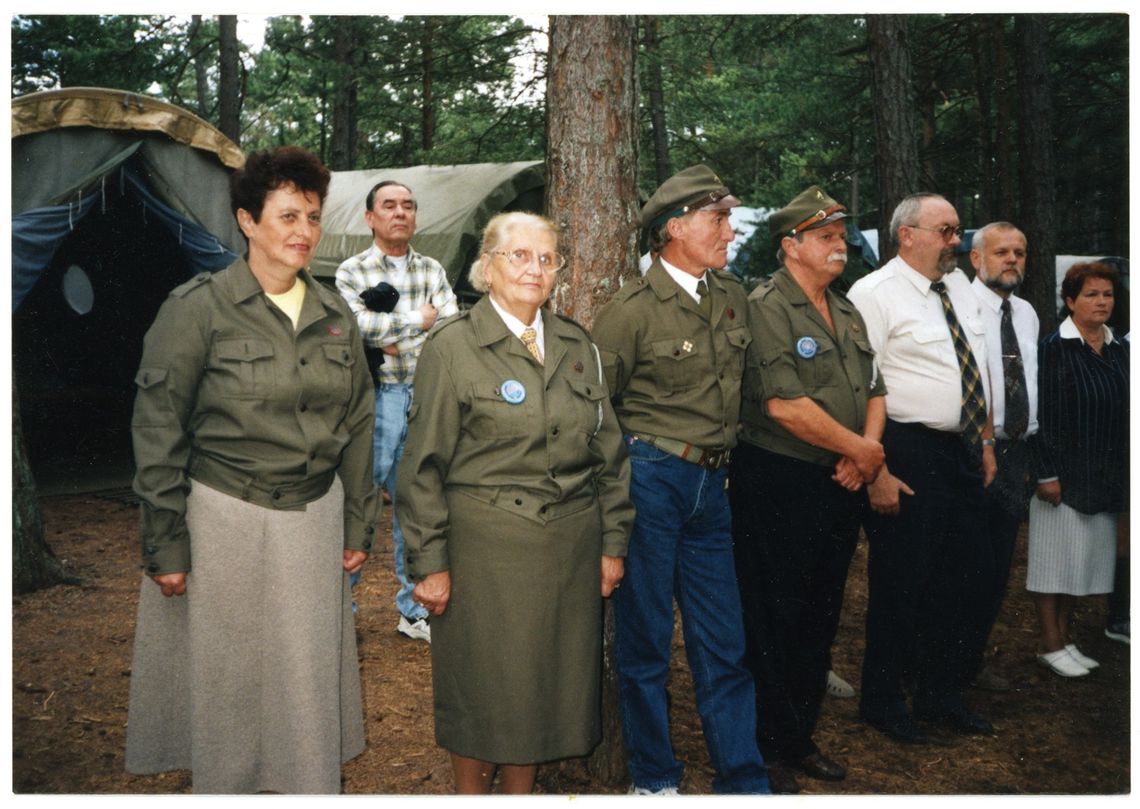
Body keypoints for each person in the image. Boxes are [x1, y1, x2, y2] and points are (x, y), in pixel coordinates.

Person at [125, 146, 377, 793]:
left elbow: (358, 423)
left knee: (303, 685)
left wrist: (356, 525)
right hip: (224, 518)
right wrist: (165, 542)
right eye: (288, 214)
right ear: (246, 220)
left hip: (312, 516)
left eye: (314, 217)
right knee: (229, 688)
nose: (304, 231)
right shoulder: (197, 307)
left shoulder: (335, 313)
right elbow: (158, 430)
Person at [396, 212, 634, 794]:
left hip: (568, 550)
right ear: (487, 267)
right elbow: (421, 467)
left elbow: (610, 456)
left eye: (547, 258)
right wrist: (428, 563)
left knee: (543, 688)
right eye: (519, 256)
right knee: (485, 687)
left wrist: (612, 544)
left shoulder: (579, 346)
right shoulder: (452, 347)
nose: (535, 268)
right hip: (486, 553)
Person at [591, 164, 770, 795]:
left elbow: (748, 395)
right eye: (717, 218)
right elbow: (598, 416)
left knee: (723, 641)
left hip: (711, 487)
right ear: (674, 228)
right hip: (650, 480)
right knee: (644, 643)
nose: (730, 230)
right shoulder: (630, 313)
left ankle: (743, 779)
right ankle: (655, 779)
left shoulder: (731, 297)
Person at [731, 186, 886, 792]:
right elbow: (783, 405)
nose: (839, 245)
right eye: (826, 236)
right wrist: (861, 451)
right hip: (780, 481)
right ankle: (766, 745)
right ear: (790, 245)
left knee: (821, 614)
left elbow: (874, 389)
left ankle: (799, 737)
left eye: (841, 235)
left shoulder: (845, 309)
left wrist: (863, 456)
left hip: (839, 479)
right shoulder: (766, 306)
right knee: (773, 616)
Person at [847, 192, 997, 744]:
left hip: (959, 449)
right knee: (901, 582)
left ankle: (940, 694)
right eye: (946, 230)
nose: (956, 241)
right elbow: (862, 385)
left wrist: (983, 441)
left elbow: (971, 367)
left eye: (958, 230)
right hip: (903, 449)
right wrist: (876, 467)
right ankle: (883, 701)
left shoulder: (957, 287)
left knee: (963, 577)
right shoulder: (874, 294)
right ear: (906, 234)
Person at [335, 180, 458, 642]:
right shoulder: (352, 270)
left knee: (418, 499)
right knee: (361, 496)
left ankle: (413, 611)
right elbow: (354, 327)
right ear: (370, 218)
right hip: (378, 396)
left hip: (426, 397)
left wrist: (389, 335)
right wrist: (415, 321)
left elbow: (449, 324)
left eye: (408, 206)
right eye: (389, 206)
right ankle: (339, 607)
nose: (400, 213)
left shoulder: (432, 269)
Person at [1028, 262, 1129, 677]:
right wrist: (1046, 473)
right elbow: (1040, 416)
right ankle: (1050, 643)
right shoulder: (1054, 348)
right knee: (1054, 563)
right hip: (1062, 476)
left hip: (1103, 477)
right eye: (1091, 294)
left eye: (1107, 294)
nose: (1102, 301)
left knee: (1080, 562)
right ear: (1070, 301)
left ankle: (1065, 639)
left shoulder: (1119, 347)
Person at [966, 222, 1039, 691]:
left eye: (1019, 252)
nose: (1012, 259)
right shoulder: (956, 307)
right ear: (976, 259)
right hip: (973, 450)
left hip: (1017, 454)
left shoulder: (1028, 314)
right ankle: (937, 664)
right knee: (961, 564)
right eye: (1001, 252)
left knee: (995, 570)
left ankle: (971, 660)